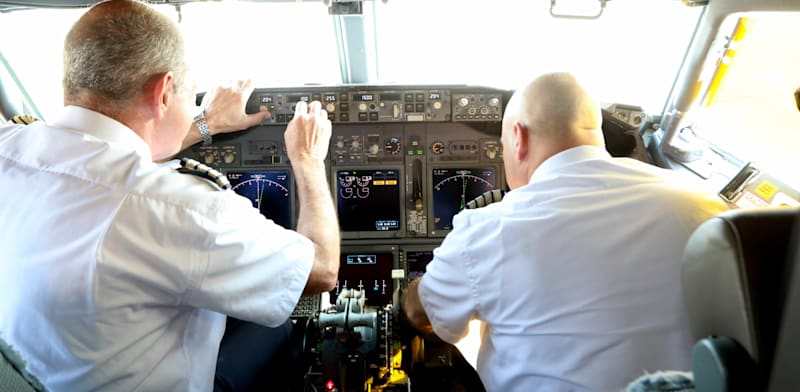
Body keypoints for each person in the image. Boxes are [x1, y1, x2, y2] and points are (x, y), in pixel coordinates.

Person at [0, 1, 339, 391]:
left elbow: (101, 161)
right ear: (162, 93)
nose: (192, 104)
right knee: (286, 326)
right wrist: (308, 160)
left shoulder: (9, 146)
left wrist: (203, 124)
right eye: (189, 94)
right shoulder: (186, 209)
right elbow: (322, 269)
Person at [402, 72, 729, 391]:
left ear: (518, 138)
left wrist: (412, 292)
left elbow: (421, 314)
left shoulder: (488, 228)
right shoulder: (702, 204)